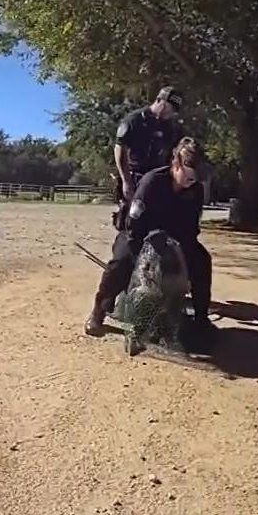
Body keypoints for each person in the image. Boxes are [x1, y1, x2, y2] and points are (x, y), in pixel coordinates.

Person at [85, 137, 216, 342]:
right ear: (176, 164)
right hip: (139, 236)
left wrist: (179, 254)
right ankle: (98, 311)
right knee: (121, 262)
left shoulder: (196, 190)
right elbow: (133, 224)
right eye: (189, 176)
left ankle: (201, 318)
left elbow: (191, 229)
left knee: (202, 260)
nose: (192, 182)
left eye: (195, 179)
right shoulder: (152, 182)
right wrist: (145, 254)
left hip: (175, 241)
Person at [112, 86, 184, 229]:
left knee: (154, 221)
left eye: (173, 110)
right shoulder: (134, 120)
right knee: (131, 221)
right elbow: (120, 149)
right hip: (134, 176)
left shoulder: (169, 128)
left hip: (156, 178)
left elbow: (173, 154)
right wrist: (126, 181)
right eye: (168, 107)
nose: (170, 112)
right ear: (159, 100)